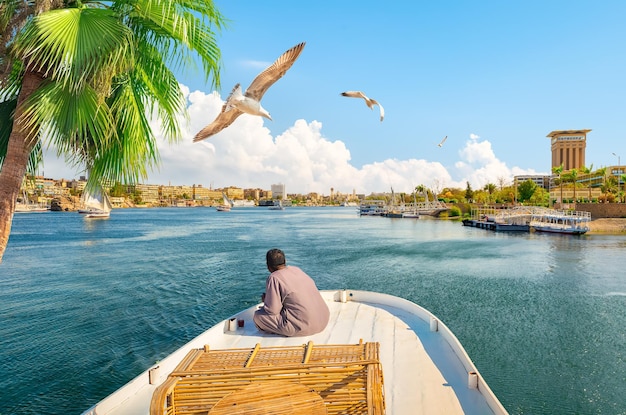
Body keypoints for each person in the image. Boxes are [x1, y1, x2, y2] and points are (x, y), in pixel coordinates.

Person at [253, 248, 330, 337]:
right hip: (323, 320)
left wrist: (266, 300)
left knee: (258, 316)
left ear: (268, 266)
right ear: (285, 261)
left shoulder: (274, 277)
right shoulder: (296, 270)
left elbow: (272, 311)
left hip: (304, 327)